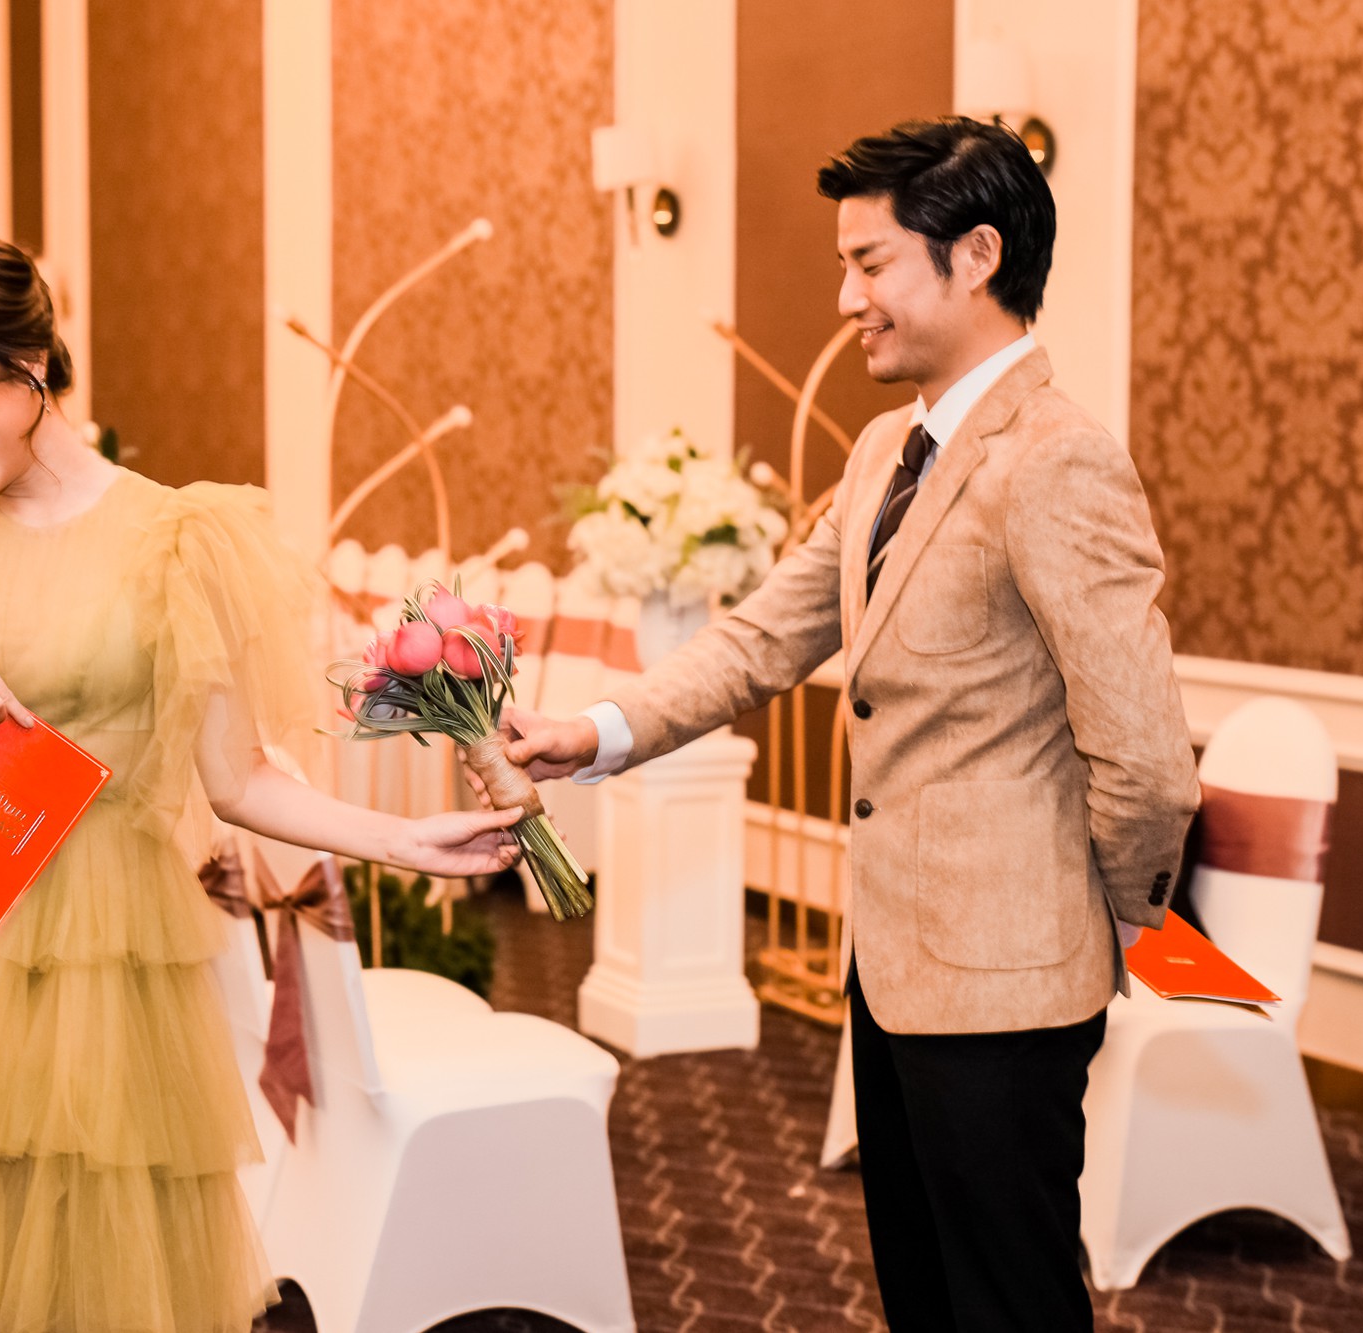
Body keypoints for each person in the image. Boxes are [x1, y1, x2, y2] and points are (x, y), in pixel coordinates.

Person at [474, 119, 1199, 1329]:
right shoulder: (880, 452)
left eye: (869, 264)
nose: (844, 298)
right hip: (895, 969)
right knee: (919, 1286)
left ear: (975, 257)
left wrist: (1110, 925)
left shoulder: (1056, 459)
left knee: (1008, 1299)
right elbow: (762, 636)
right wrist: (594, 730)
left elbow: (1143, 753)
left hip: (1008, 985)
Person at [0, 229, 523, 1332]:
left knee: (78, 1256)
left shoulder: (177, 539)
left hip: (99, 943)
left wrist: (402, 840)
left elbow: (237, 780)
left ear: (30, 357)